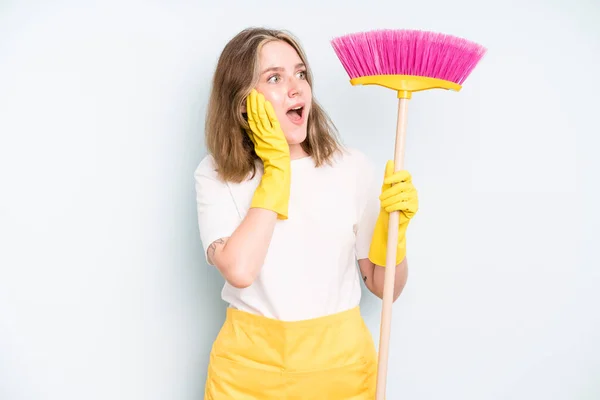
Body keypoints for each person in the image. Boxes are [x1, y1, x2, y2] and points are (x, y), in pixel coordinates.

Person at [194, 27, 419, 399]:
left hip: (341, 373)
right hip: (248, 375)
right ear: (241, 102)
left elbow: (383, 287)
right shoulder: (217, 173)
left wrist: (396, 235)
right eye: (274, 78)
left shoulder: (350, 167)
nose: (296, 88)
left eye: (300, 74)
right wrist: (277, 170)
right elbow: (240, 270)